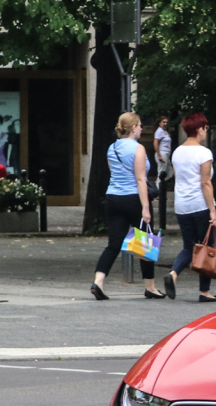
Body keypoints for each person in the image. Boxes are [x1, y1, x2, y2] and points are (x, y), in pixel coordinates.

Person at [91, 111, 162, 300]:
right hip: (133, 199)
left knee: (113, 244)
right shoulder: (138, 149)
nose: (141, 128)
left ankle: (98, 281)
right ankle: (150, 286)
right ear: (133, 128)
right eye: (139, 125)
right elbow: (140, 179)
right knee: (145, 242)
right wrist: (145, 207)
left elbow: (113, 172)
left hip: (113, 198)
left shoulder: (112, 148)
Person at [166, 112, 216, 302]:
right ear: (199, 129)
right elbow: (205, 183)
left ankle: (173, 273)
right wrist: (212, 209)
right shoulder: (204, 153)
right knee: (205, 246)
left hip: (182, 205)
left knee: (189, 246)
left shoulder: (177, 152)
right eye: (205, 127)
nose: (206, 130)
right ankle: (204, 291)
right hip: (200, 204)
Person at [153, 116, 173, 180]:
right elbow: (155, 143)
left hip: (166, 153)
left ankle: (161, 184)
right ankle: (158, 188)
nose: (165, 124)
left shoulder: (165, 132)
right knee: (161, 172)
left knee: (170, 172)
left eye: (166, 122)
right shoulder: (159, 131)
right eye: (163, 122)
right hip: (162, 153)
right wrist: (159, 155)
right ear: (159, 123)